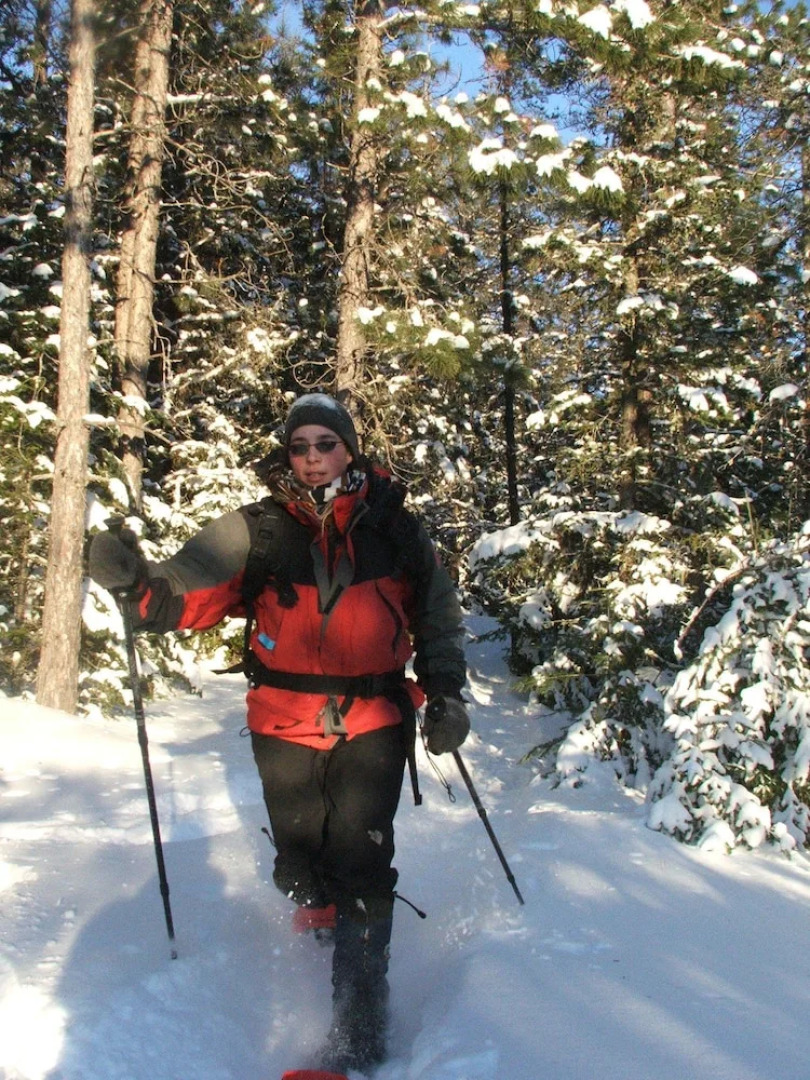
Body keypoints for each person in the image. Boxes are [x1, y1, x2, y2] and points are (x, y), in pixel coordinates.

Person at [88, 392, 469, 1074]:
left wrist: (445, 695)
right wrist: (134, 585)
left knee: (363, 869)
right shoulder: (253, 530)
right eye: (301, 446)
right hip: (282, 722)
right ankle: (318, 905)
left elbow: (436, 619)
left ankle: (357, 1035)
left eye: (327, 443)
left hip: (375, 721)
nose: (314, 456)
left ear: (350, 448)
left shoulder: (397, 530)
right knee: (298, 868)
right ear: (288, 454)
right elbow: (181, 593)